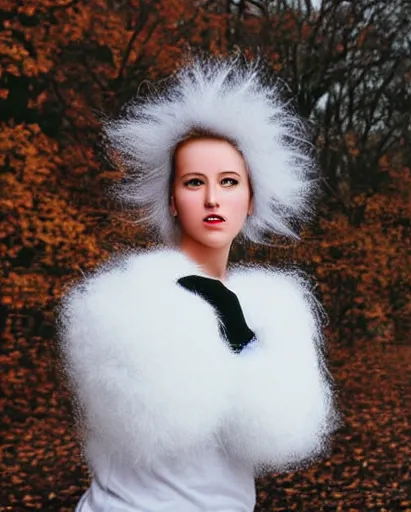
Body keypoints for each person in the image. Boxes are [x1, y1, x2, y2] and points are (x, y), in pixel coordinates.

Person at [57, 56, 339, 512]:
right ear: (171, 199)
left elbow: (281, 434)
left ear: (251, 199)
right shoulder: (120, 301)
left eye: (229, 182)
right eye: (193, 182)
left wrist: (239, 331)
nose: (212, 198)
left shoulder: (275, 310)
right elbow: (151, 419)